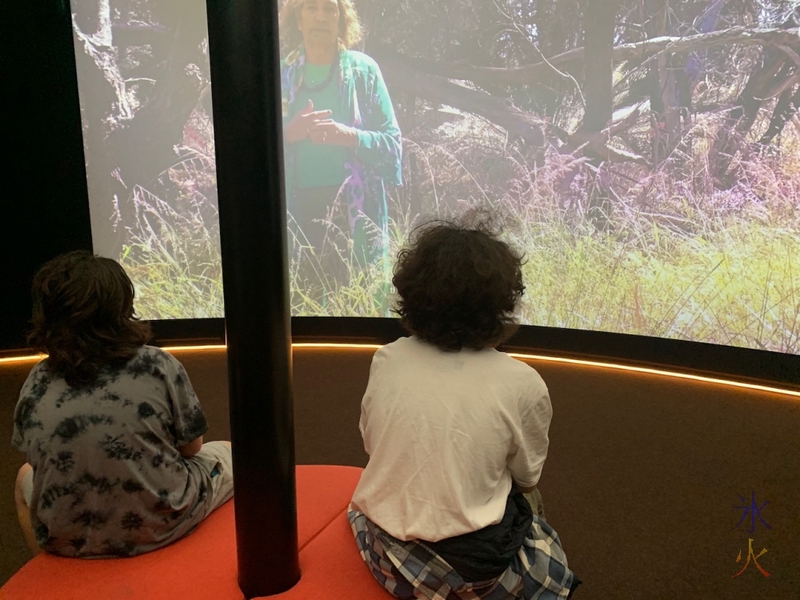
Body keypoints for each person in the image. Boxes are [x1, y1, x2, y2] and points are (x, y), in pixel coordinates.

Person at [348, 214, 581, 598]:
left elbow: (373, 446)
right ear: (502, 303)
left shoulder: (388, 358)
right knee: (531, 504)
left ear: (412, 293)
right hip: (473, 568)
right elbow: (527, 479)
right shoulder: (523, 382)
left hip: (384, 552)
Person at [12, 251, 233, 558]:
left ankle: (51, 573)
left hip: (69, 538)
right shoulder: (157, 364)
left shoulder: (37, 378)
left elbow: (36, 457)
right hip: (157, 526)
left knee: (24, 476)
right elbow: (192, 449)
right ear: (123, 305)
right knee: (231, 454)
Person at [279, 0, 402, 311]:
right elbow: (252, 151)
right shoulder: (278, 75)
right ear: (298, 20)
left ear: (341, 19)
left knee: (357, 312)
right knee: (303, 312)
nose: (321, 16)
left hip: (357, 215)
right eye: (311, 7)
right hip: (295, 214)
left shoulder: (365, 71)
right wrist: (287, 133)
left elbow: (392, 146)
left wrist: (350, 136)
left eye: (330, 8)